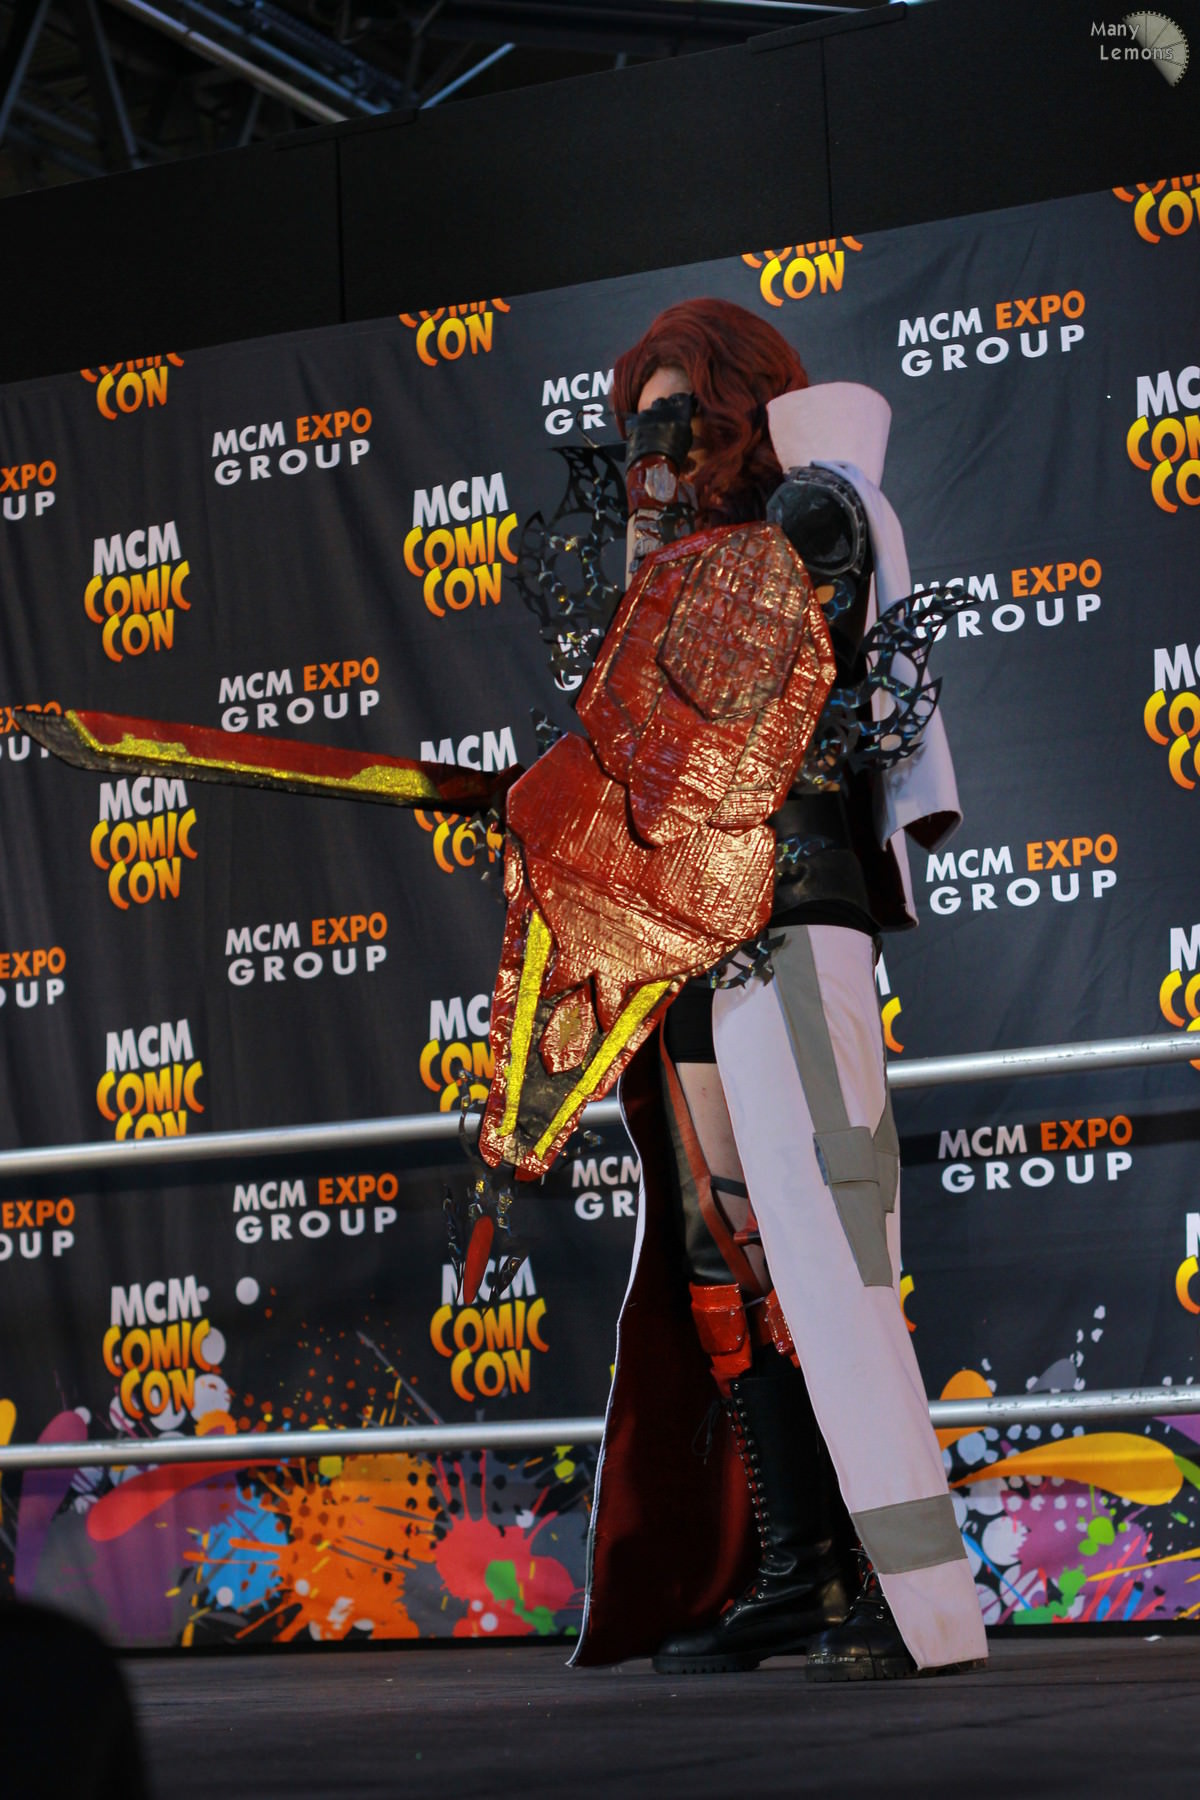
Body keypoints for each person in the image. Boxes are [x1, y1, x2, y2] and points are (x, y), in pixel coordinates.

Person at [479, 298, 987, 1682]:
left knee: (824, 1246)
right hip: (691, 925)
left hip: (792, 904)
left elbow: (733, 705)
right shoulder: (677, 558)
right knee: (726, 1252)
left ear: (738, 408)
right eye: (637, 422)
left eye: (679, 415)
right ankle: (797, 1568)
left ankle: (898, 1590)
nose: (655, 446)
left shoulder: (815, 515)